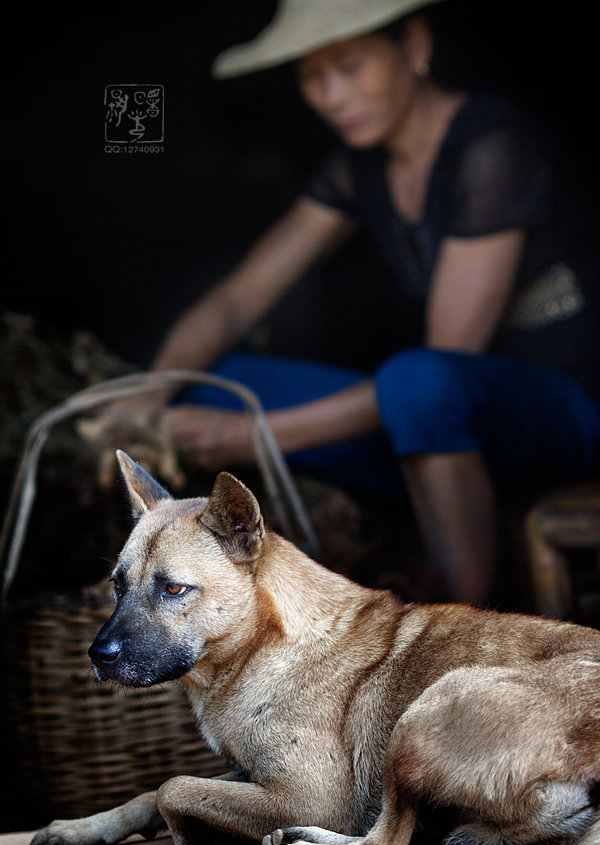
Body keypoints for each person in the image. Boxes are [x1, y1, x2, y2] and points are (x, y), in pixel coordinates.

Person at [118, 0, 600, 608]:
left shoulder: (493, 146)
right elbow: (240, 298)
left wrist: (259, 433)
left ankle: (464, 624)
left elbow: (445, 362)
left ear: (415, 44)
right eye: (312, 76)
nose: (330, 95)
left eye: (350, 66)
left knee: (418, 379)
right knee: (215, 381)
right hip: (435, 420)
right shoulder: (360, 167)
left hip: (559, 416)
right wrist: (145, 395)